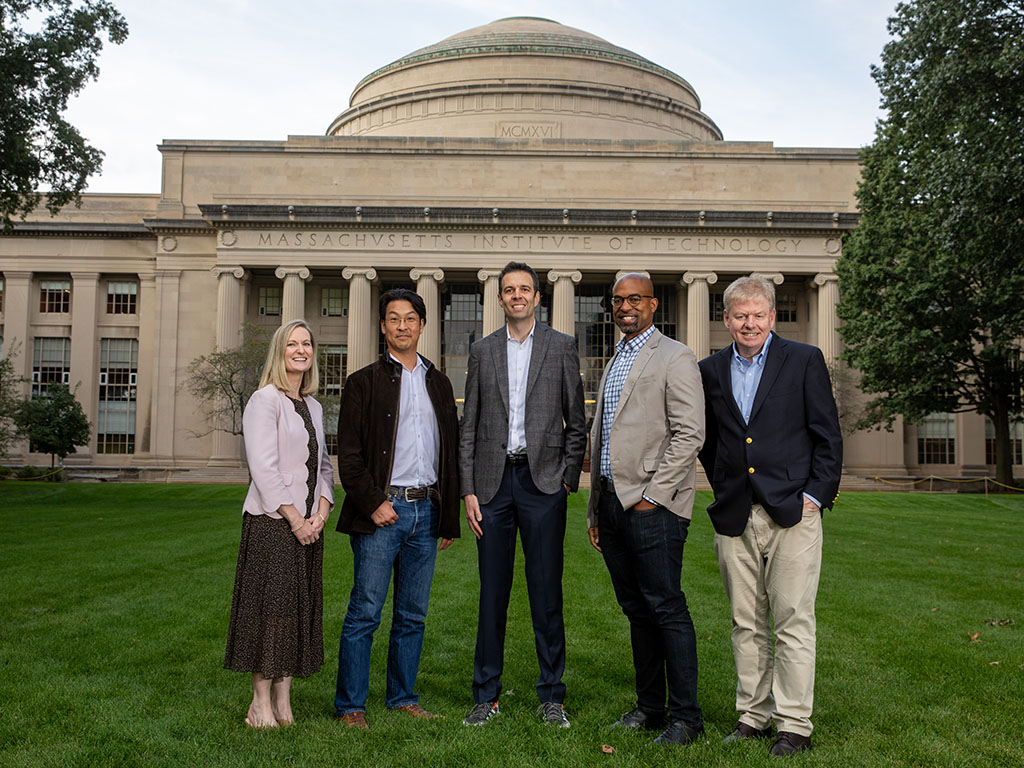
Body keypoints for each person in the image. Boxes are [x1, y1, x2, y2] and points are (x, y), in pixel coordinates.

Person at [697, 275, 842, 757]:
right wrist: (724, 487)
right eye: (740, 316)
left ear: (773, 317)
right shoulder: (710, 369)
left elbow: (827, 435)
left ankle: (794, 724)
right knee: (745, 622)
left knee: (793, 620)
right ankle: (752, 716)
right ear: (726, 320)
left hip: (793, 514)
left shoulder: (803, 361)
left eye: (758, 315)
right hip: (736, 512)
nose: (749, 323)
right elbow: (711, 441)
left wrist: (815, 497)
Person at [459, 261, 587, 728]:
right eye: (508, 289)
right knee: (492, 594)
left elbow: (578, 422)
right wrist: (468, 489)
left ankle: (552, 695)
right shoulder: (482, 350)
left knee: (546, 594)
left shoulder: (561, 347)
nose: (517, 295)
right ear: (499, 299)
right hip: (492, 487)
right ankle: (485, 695)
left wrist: (566, 479)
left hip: (542, 485)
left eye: (525, 289)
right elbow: (467, 426)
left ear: (537, 297)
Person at [586, 272, 706, 746]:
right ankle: (650, 707)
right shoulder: (617, 358)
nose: (625, 307)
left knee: (666, 608)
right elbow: (605, 440)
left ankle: (687, 719)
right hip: (613, 505)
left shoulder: (675, 356)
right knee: (636, 609)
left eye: (635, 299)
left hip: (653, 507)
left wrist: (652, 496)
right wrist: (597, 509)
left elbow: (689, 433)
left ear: (653, 304)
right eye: (617, 300)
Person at [333, 288, 460, 729]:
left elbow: (450, 454)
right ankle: (351, 706)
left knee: (413, 614)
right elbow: (347, 456)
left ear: (422, 325)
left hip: (426, 513)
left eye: (410, 318)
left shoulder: (439, 383)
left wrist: (447, 517)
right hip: (382, 515)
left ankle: (402, 697)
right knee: (365, 611)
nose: (402, 325)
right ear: (382, 326)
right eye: (393, 318)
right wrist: (374, 503)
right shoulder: (362, 382)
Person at [224, 319, 335, 728]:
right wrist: (295, 519)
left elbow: (323, 466)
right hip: (273, 523)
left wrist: (320, 514)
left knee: (296, 612)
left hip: (309, 524)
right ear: (280, 351)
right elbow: (263, 468)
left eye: (307, 343)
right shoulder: (263, 400)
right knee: (269, 613)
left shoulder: (313, 405)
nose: (301, 350)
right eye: (292, 343)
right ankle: (259, 703)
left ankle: (284, 701)